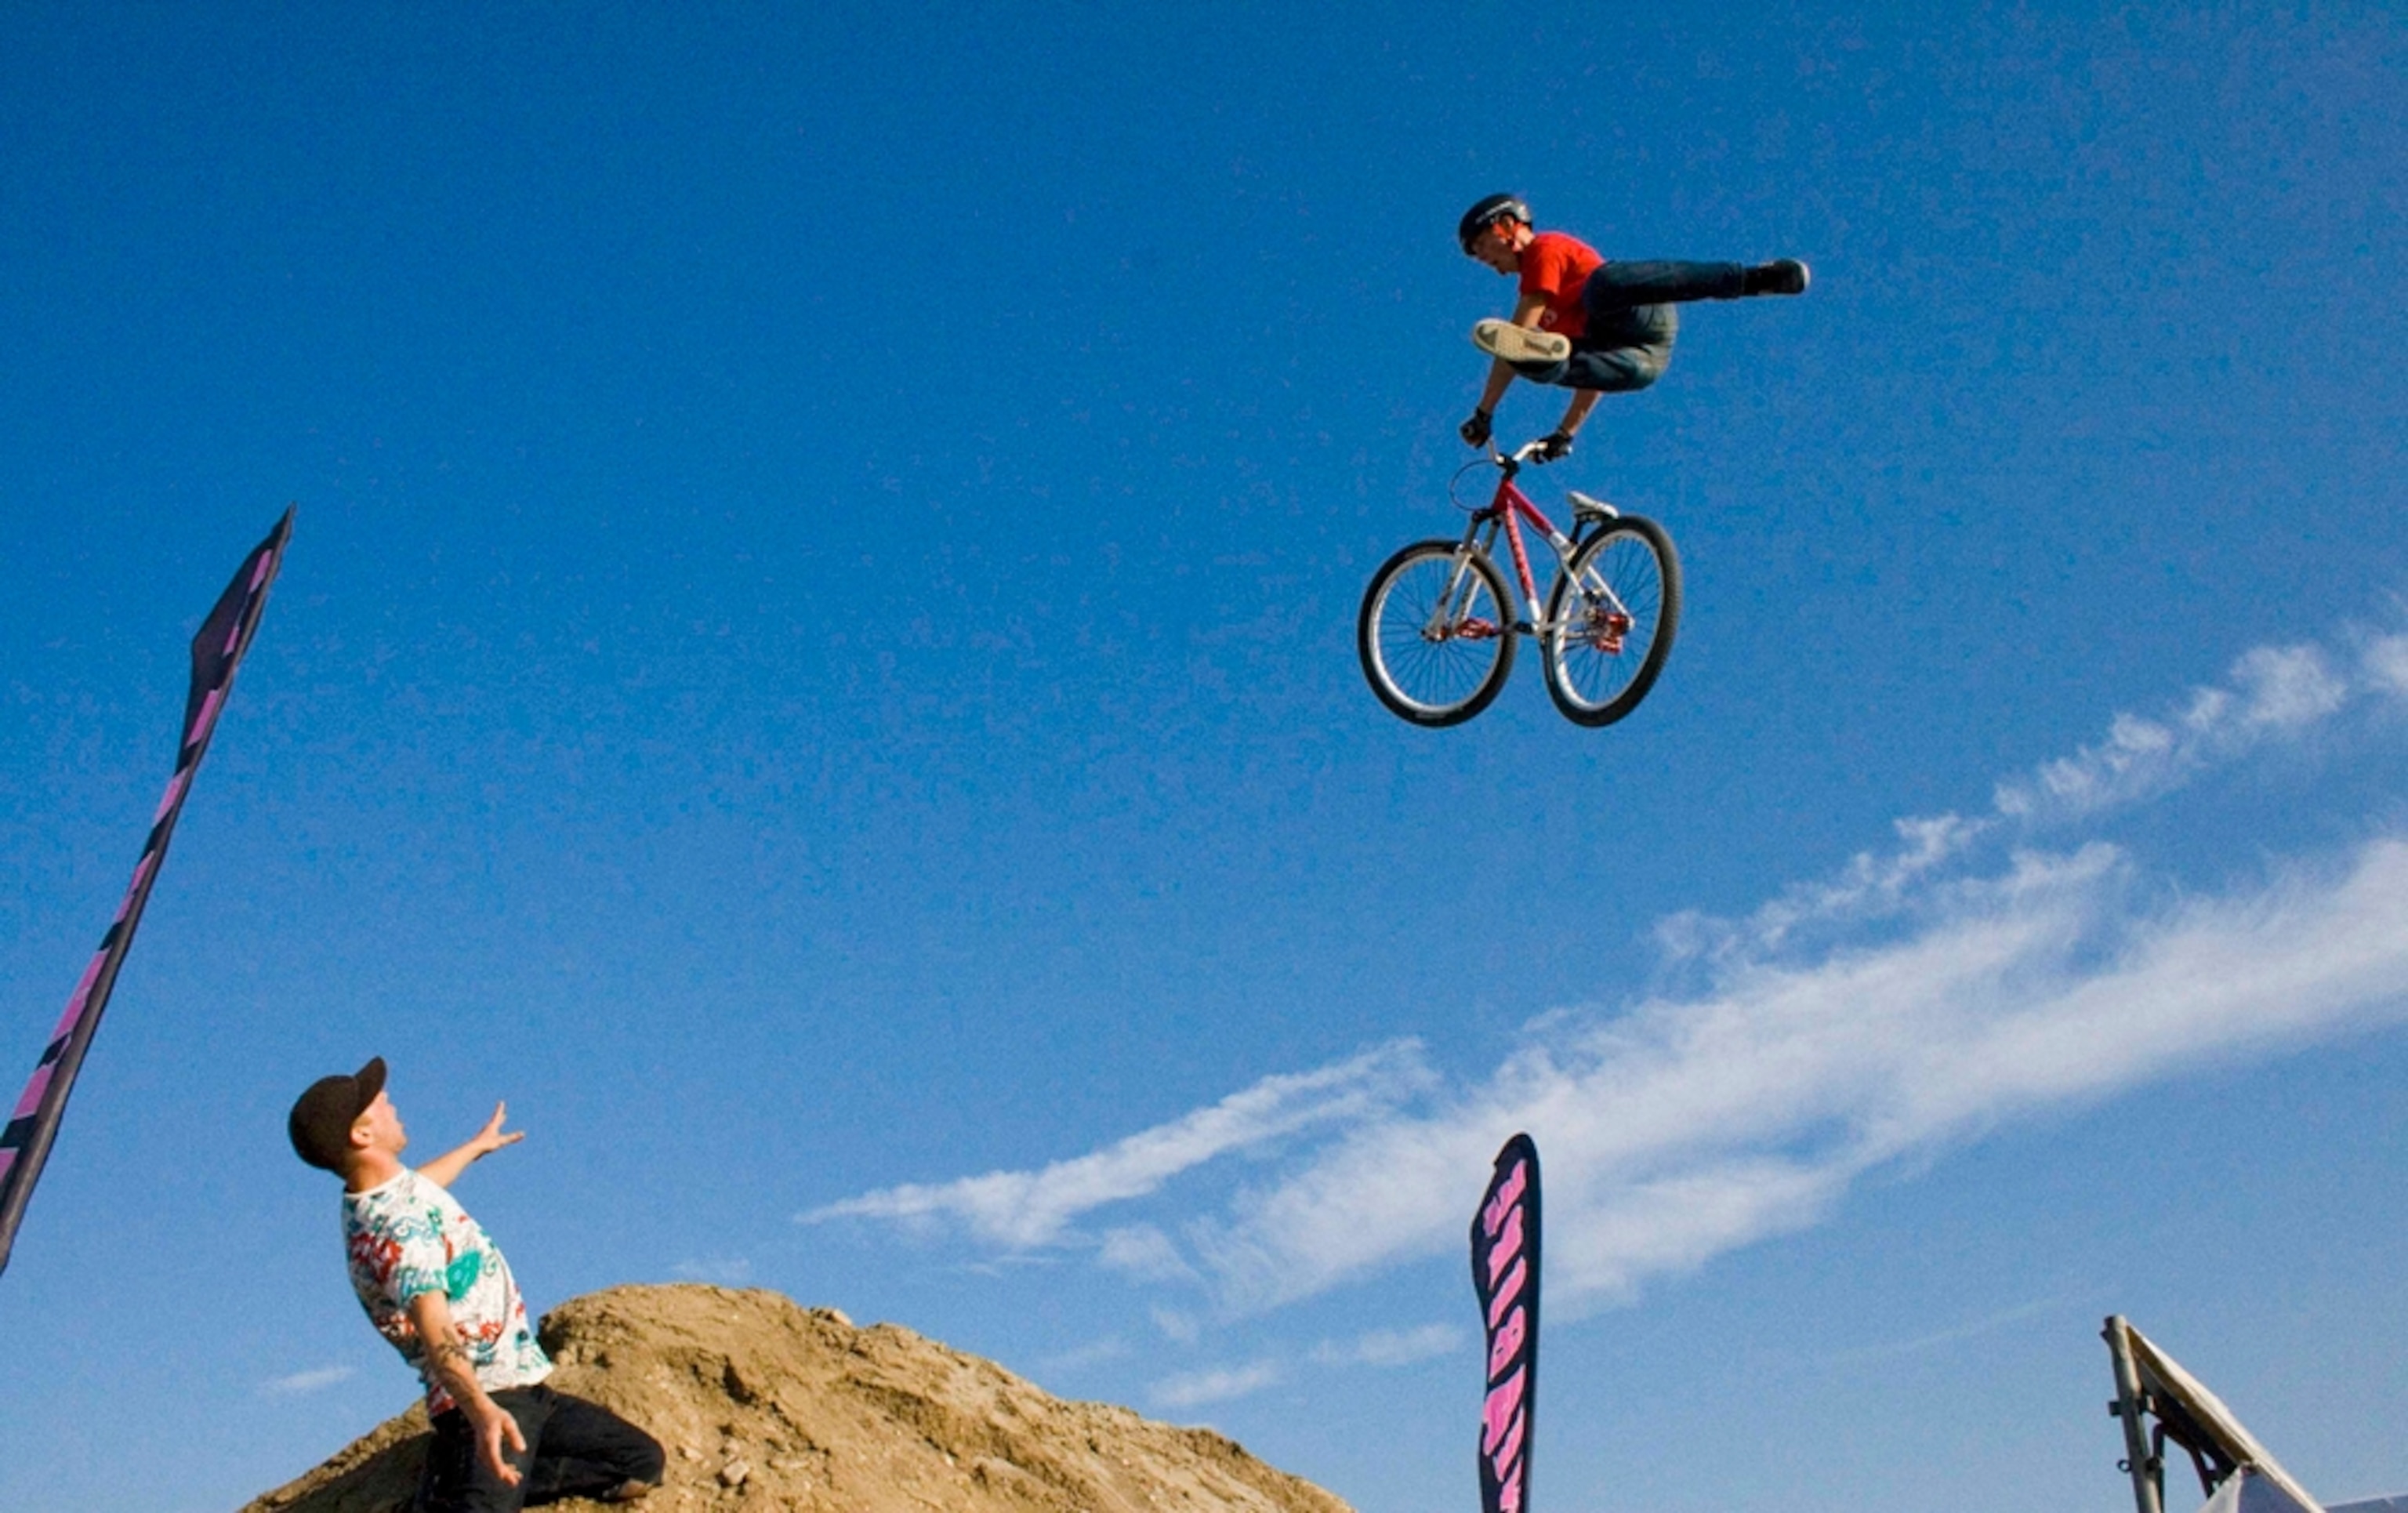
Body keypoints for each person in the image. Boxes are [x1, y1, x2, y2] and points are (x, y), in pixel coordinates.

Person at [288, 1058, 664, 1511]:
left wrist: (475, 1148)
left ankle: (453, 1485)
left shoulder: (380, 1196)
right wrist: (483, 1411)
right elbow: (434, 1327)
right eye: (376, 1101)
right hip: (487, 1395)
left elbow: (424, 1188)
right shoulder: (399, 1231)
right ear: (362, 1134)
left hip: (525, 1386)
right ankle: (453, 1490)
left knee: (639, 1461)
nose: (387, 1099)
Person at [1455, 193, 1809, 462]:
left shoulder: (1545, 249)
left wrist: (1484, 412)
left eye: (1483, 245)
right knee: (1548, 357)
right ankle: (1545, 361)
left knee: (1599, 290)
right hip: (1641, 361)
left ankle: (1754, 279)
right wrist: (1565, 433)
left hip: (1639, 314)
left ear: (1507, 225)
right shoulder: (1551, 320)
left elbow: (1514, 336)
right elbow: (1585, 376)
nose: (1483, 258)